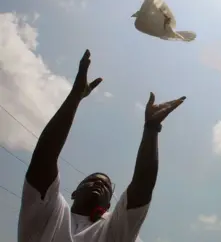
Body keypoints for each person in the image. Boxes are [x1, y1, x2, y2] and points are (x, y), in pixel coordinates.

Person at [18, 49, 186, 242]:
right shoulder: (51, 215)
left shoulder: (113, 230)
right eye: (91, 180)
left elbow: (142, 187)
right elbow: (44, 159)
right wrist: (74, 97)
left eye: (106, 185)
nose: (99, 183)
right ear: (73, 193)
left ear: (109, 206)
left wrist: (151, 129)